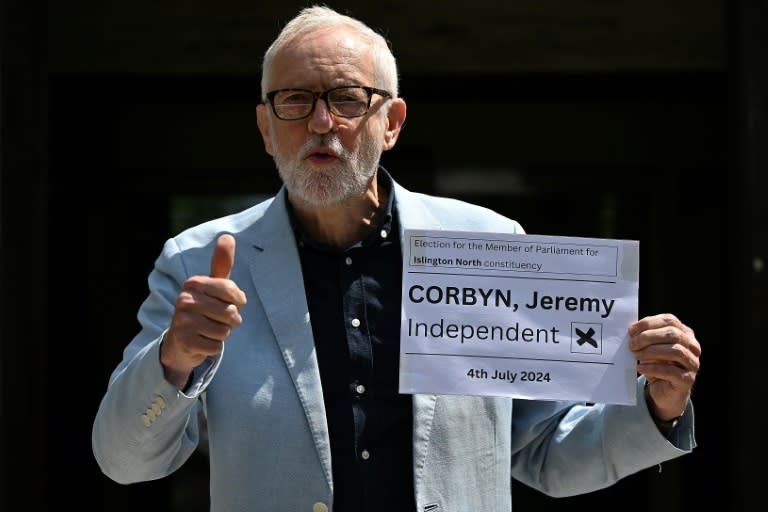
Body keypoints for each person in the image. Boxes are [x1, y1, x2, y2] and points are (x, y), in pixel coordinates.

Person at [92, 5, 701, 512]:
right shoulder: (197, 262)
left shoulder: (489, 246)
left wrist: (658, 405)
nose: (321, 122)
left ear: (392, 122)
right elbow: (124, 460)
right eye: (295, 100)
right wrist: (175, 360)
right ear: (264, 127)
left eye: (347, 98)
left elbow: (546, 455)